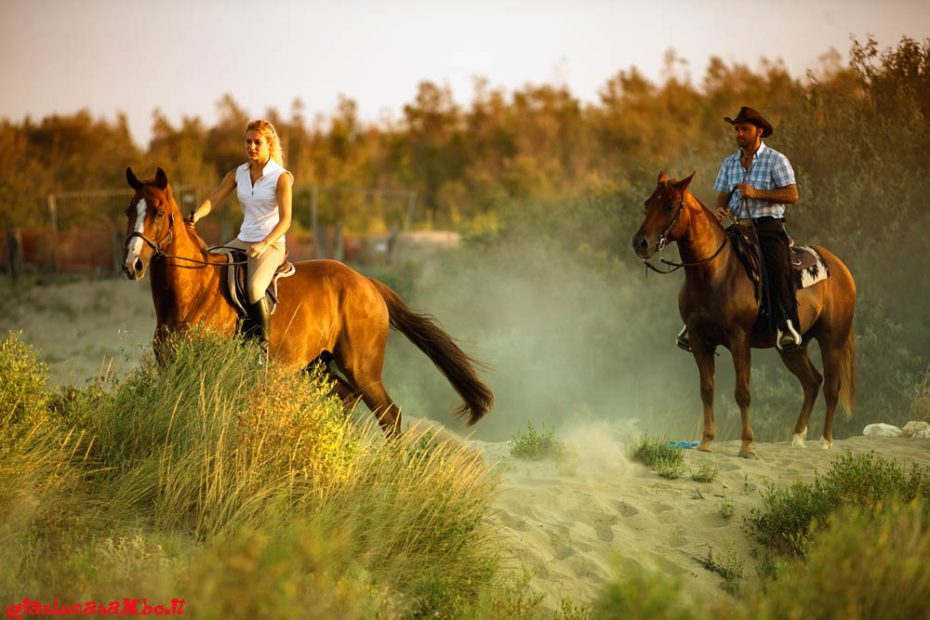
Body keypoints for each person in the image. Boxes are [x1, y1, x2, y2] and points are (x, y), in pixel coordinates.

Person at [677, 106, 802, 352]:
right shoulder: (729, 163)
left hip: (767, 228)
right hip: (737, 226)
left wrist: (756, 193)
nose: (739, 134)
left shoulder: (776, 160)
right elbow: (723, 196)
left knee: (777, 266)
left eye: (744, 129)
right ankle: (694, 321)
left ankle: (786, 323)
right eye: (737, 129)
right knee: (706, 261)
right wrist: (721, 209)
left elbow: (792, 194)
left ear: (760, 131)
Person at [187, 119, 293, 349]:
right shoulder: (239, 173)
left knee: (254, 288)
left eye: (257, 142)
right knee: (209, 263)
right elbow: (214, 199)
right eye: (248, 141)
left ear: (269, 144)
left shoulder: (281, 177)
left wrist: (264, 244)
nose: (251, 146)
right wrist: (196, 215)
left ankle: (261, 346)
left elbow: (286, 221)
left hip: (271, 243)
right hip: (243, 239)